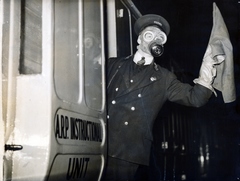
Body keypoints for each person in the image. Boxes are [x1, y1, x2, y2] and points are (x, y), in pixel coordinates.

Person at [103, 14, 219, 180]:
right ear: (139, 40)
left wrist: (208, 66)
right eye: (149, 35)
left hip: (127, 152)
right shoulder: (113, 65)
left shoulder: (164, 78)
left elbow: (196, 98)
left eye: (159, 38)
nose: (154, 41)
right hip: (98, 144)